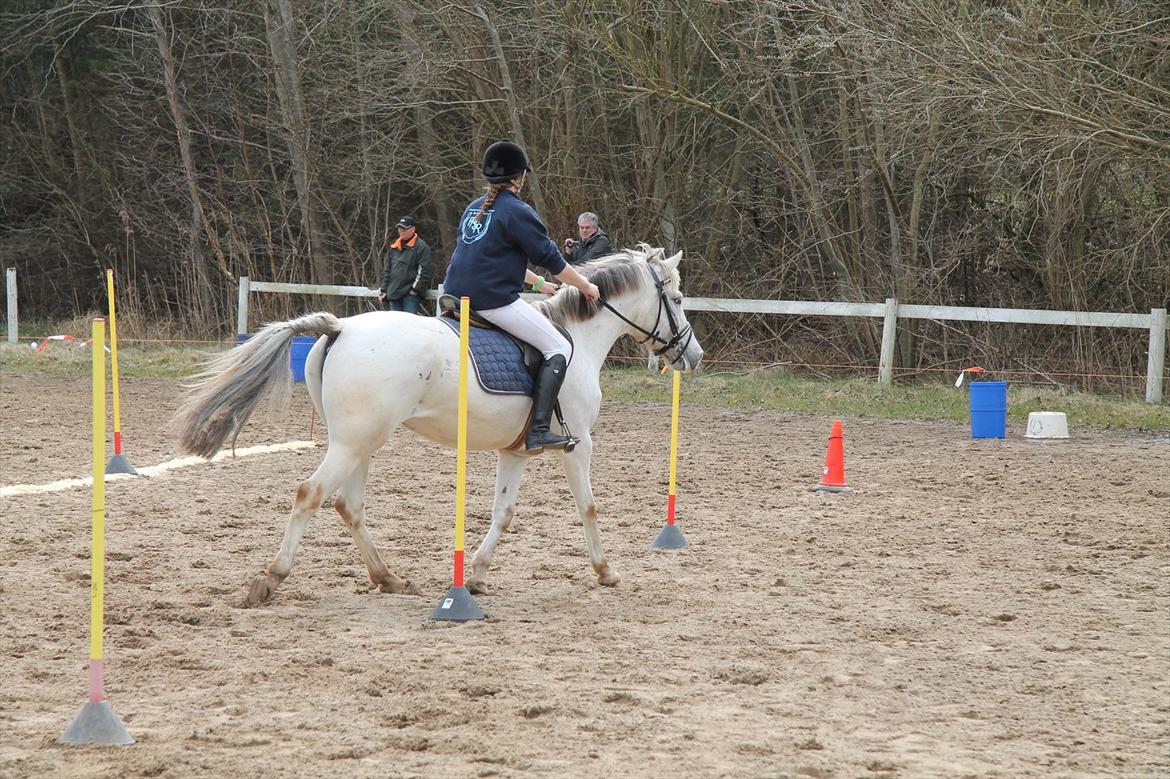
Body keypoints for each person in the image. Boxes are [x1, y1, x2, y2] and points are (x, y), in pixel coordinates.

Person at [443, 140, 601, 454]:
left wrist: (539, 284)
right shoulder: (517, 211)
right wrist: (585, 286)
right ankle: (539, 430)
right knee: (558, 346)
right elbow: (556, 261)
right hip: (491, 301)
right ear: (520, 177)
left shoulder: (475, 207)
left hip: (452, 294)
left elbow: (491, 259)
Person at [379, 215, 433, 314]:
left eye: (404, 228)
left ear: (413, 229)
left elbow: (425, 272)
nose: (401, 231)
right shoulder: (394, 247)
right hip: (393, 294)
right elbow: (388, 271)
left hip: (410, 297)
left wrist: (414, 290)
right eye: (400, 228)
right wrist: (384, 290)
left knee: (409, 326)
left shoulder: (421, 247)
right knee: (394, 326)